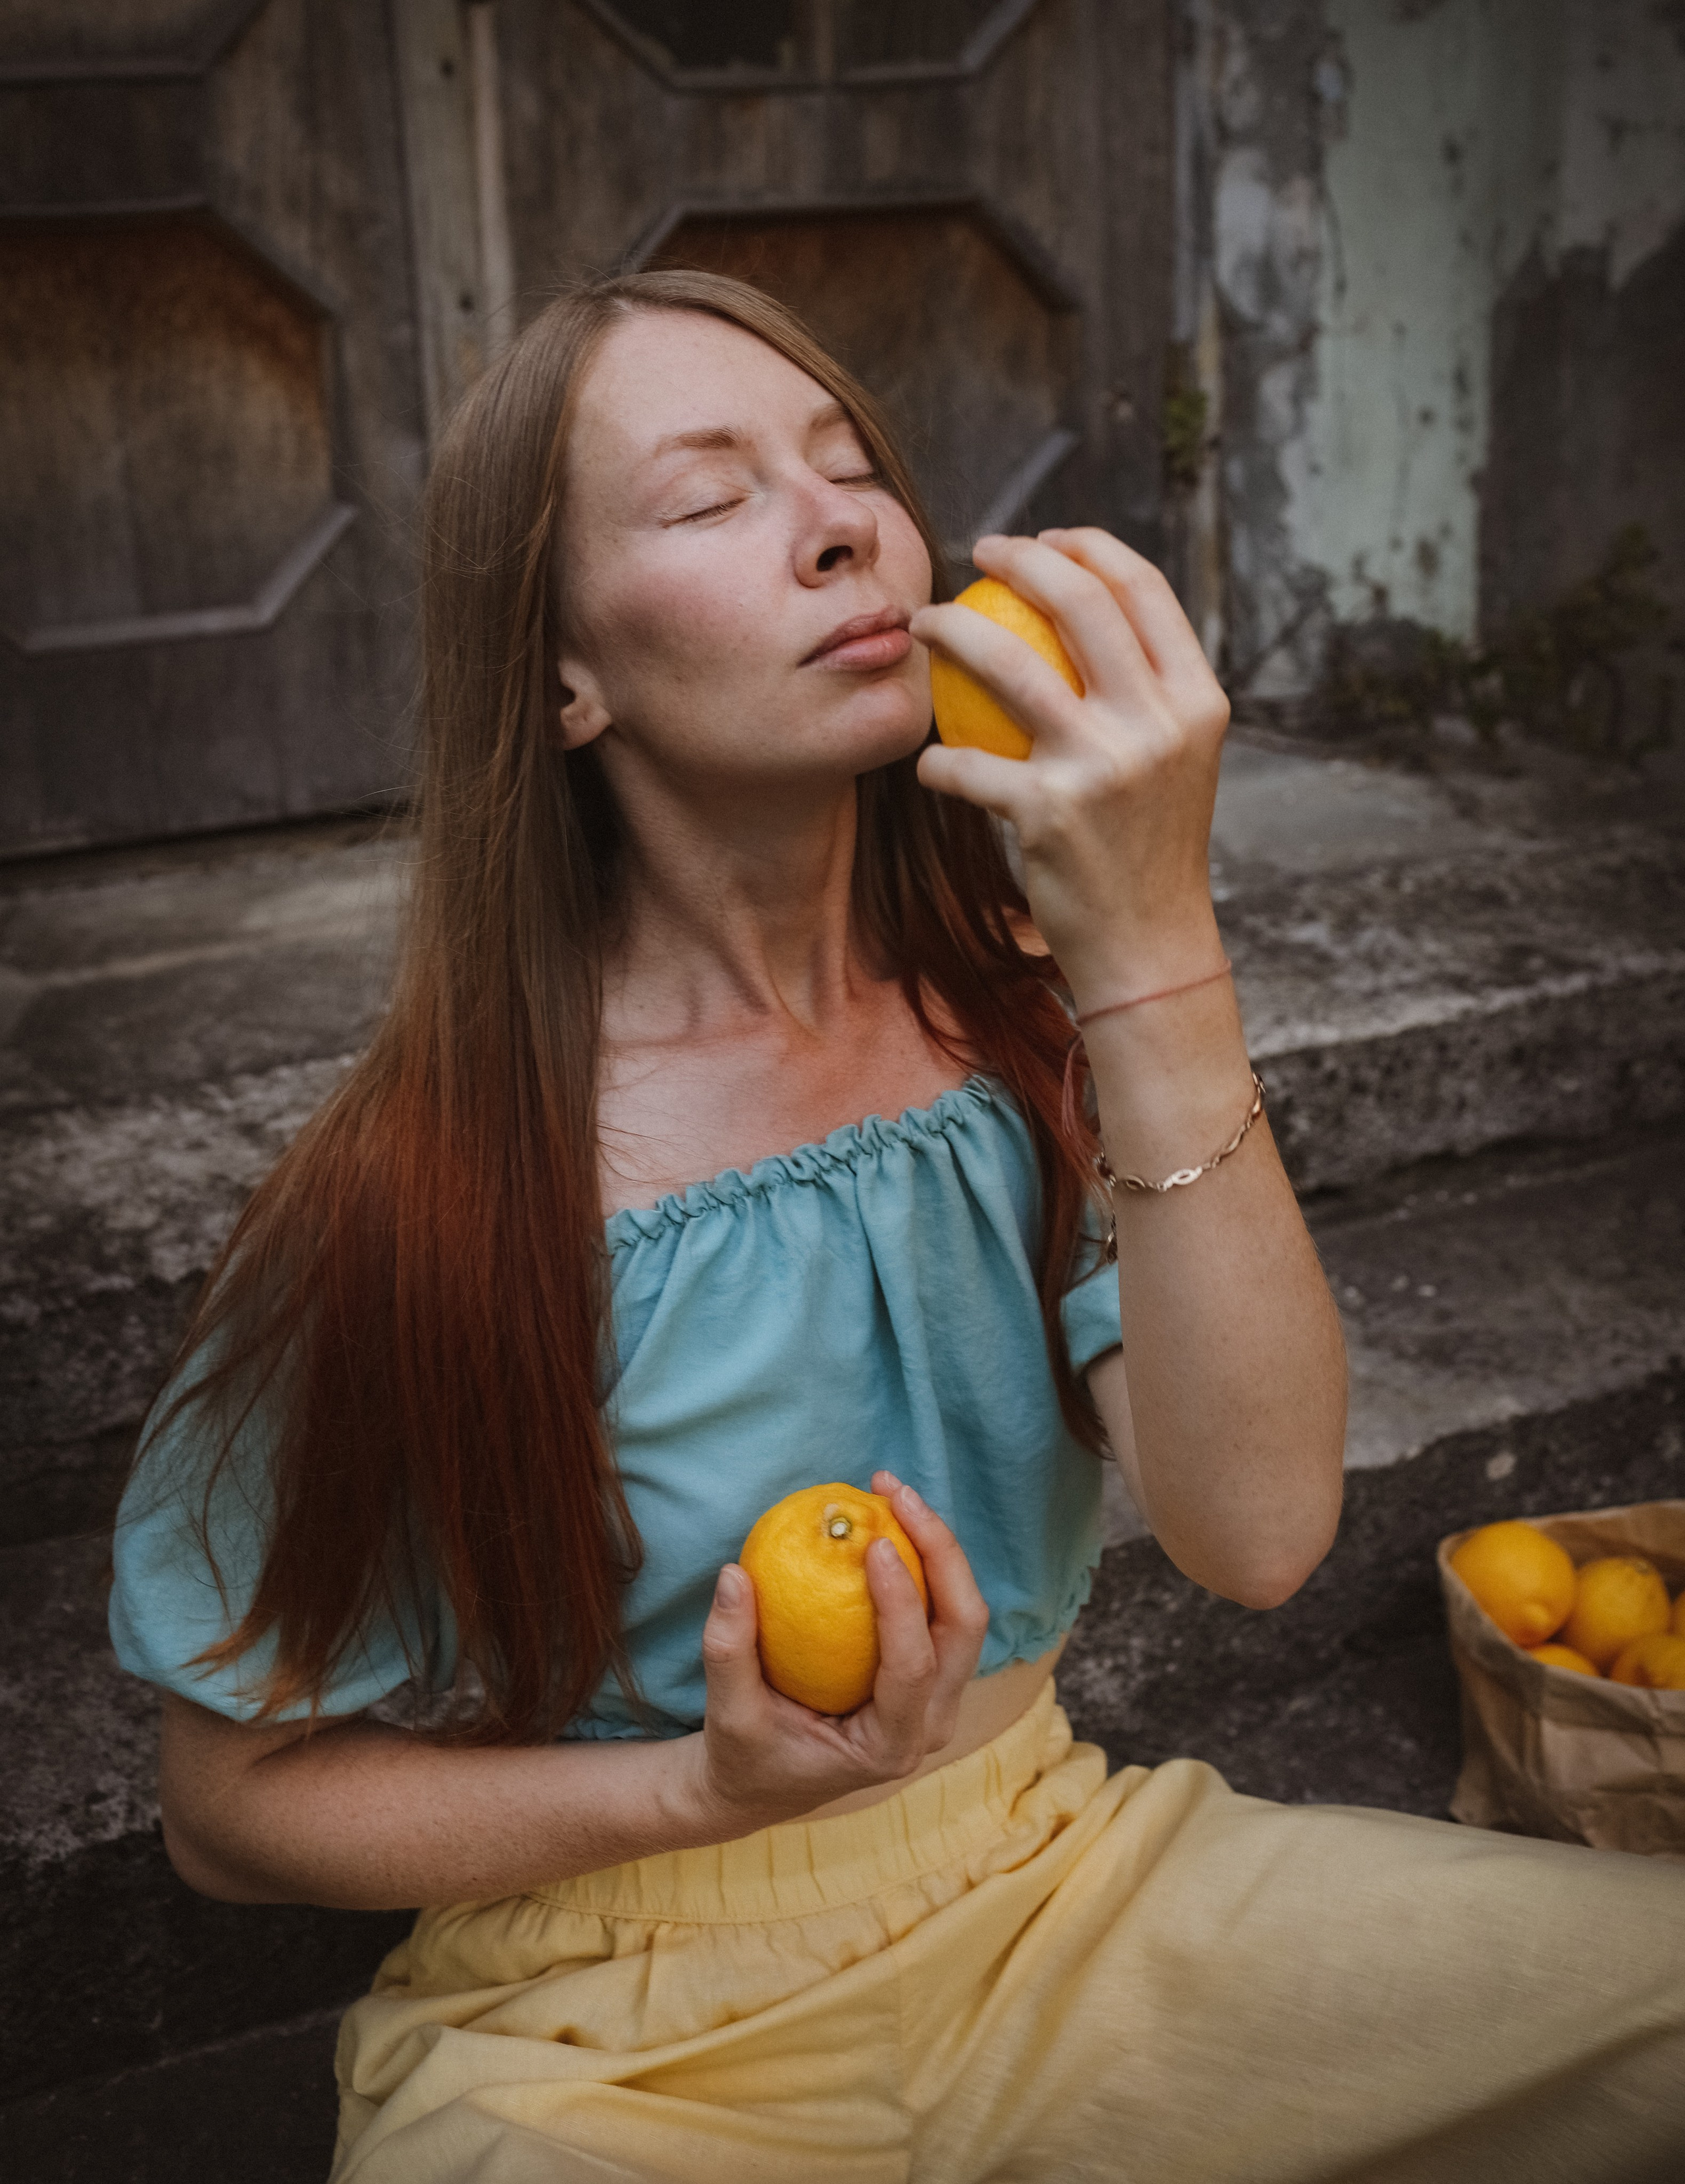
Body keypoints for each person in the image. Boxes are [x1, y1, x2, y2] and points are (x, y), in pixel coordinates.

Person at [111, 271, 1685, 2183]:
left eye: (853, 468)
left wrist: (1153, 946)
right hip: (608, 2036)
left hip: (1062, 1891)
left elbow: (1262, 1535)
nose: (847, 522)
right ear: (557, 676)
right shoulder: (411, 1195)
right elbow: (231, 1814)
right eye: (711, 501)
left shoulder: (1030, 1025)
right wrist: (699, 1788)